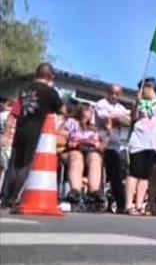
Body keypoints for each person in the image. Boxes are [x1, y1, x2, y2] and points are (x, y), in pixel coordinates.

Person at [0, 63, 65, 209]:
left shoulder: (25, 89)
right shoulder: (50, 92)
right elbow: (62, 109)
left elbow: (15, 111)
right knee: (25, 166)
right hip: (36, 131)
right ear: (50, 76)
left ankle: (4, 197)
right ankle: (12, 198)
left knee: (13, 165)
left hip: (20, 129)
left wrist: (6, 133)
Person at [125, 77, 156, 216]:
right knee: (135, 171)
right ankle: (129, 204)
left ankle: (140, 204)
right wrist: (137, 103)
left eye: (142, 88)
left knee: (146, 174)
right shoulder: (140, 102)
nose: (141, 91)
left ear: (150, 87)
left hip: (154, 142)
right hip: (139, 140)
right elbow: (133, 118)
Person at [94, 85, 131, 214]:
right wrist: (118, 119)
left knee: (116, 176)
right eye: (112, 93)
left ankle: (121, 204)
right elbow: (105, 119)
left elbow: (128, 121)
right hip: (100, 143)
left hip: (115, 146)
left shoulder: (121, 107)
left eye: (117, 94)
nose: (114, 96)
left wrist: (116, 118)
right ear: (107, 92)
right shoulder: (101, 103)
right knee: (101, 173)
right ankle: (96, 199)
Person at [63, 102, 106, 210]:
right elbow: (61, 136)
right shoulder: (71, 122)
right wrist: (69, 141)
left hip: (90, 151)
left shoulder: (95, 128)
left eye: (92, 110)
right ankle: (75, 191)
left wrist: (98, 144)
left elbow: (103, 145)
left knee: (95, 158)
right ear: (80, 110)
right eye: (87, 110)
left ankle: (94, 191)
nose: (90, 112)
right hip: (72, 150)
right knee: (76, 156)